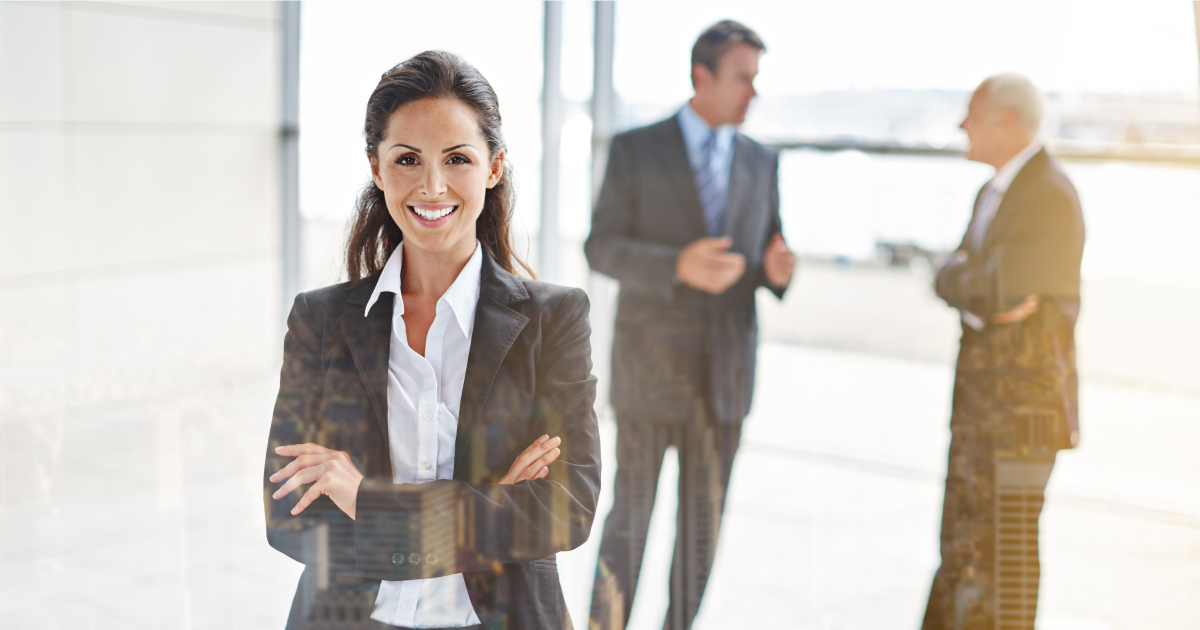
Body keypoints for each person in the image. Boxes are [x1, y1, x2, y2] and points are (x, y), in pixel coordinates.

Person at [263, 51, 601, 630]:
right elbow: (289, 517)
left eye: (458, 158)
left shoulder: (554, 320)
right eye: (407, 159)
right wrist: (491, 505)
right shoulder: (320, 321)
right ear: (376, 167)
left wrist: (366, 501)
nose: (433, 185)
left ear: (493, 167)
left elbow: (566, 509)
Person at [585, 20, 795, 630]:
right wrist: (677, 265)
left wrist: (778, 270)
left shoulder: (761, 160)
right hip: (651, 375)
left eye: (755, 80)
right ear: (701, 76)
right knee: (630, 523)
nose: (751, 92)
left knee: (701, 533)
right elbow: (602, 248)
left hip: (724, 381)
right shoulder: (636, 149)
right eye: (742, 79)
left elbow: (765, 256)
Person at [925, 74, 1085, 629]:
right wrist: (965, 282)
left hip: (1024, 414)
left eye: (971, 114)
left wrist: (965, 283)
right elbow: (962, 280)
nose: (962, 126)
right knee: (963, 545)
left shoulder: (1048, 196)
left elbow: (997, 292)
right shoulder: (994, 192)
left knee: (1008, 555)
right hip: (981, 409)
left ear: (1006, 121)